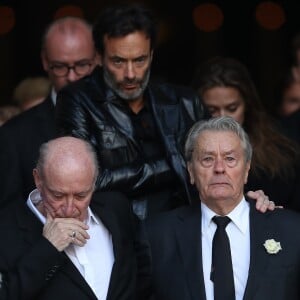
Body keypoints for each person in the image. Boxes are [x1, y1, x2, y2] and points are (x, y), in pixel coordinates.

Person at [56, 3, 270, 219]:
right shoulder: (79, 99)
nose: (130, 73)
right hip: (119, 234)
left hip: (187, 229)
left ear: (151, 55)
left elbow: (220, 166)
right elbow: (83, 180)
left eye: (139, 60)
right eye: (118, 61)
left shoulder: (184, 101)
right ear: (100, 58)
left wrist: (248, 198)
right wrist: (174, 164)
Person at [136, 116, 300, 300]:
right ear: (191, 171)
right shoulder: (157, 235)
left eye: (230, 158)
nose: (219, 168)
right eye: (207, 159)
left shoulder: (291, 229)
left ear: (246, 169)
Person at [0, 136, 136, 300]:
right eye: (58, 195)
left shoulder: (116, 208)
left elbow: (143, 276)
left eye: (81, 196)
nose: (69, 208)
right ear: (38, 180)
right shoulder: (5, 233)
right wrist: (47, 249)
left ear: (94, 182)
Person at [0, 16, 99, 209]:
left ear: (97, 59)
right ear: (45, 61)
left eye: (81, 65)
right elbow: (6, 217)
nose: (72, 76)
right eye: (60, 66)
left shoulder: (120, 119)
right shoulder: (13, 136)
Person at [190, 56, 300, 209]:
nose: (223, 118)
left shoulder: (281, 159)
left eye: (232, 108)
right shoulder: (184, 155)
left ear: (247, 105)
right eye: (212, 110)